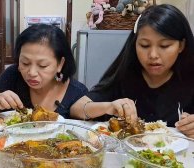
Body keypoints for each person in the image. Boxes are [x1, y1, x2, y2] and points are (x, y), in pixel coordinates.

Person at [76, 4, 194, 138]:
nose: (153, 55)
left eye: (164, 46)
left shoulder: (189, 79)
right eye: (145, 45)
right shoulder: (125, 75)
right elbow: (77, 108)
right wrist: (108, 106)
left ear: (181, 45)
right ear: (135, 44)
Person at [0, 24, 88, 119]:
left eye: (42, 65)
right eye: (25, 63)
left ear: (60, 64)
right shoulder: (13, 75)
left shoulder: (77, 92)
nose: (32, 73)